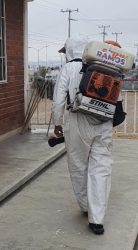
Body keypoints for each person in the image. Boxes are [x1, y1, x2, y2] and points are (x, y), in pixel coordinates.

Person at [52, 38, 118, 235]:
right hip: (103, 121)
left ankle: (85, 206)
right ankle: (97, 219)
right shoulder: (104, 67)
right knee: (101, 168)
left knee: (79, 165)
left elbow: (58, 101)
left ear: (71, 50)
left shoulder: (69, 69)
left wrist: (57, 124)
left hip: (78, 120)